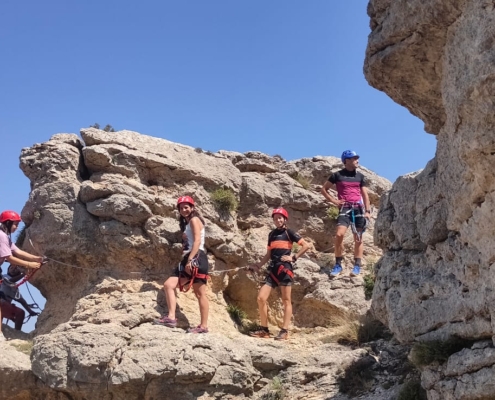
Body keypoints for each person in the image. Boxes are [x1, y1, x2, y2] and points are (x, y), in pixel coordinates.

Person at [249, 208, 309, 341]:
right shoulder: (271, 234)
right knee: (261, 298)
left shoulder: (289, 233)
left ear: (285, 219)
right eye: (275, 218)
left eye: (280, 218)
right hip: (273, 269)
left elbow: (306, 245)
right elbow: (268, 255)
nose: (278, 220)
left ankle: (284, 331)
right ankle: (264, 330)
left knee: (286, 300)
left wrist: (293, 257)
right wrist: (258, 266)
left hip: (285, 268)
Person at [154, 196, 210, 334]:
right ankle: (171, 318)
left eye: (186, 207)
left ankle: (203, 326)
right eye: (181, 208)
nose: (184, 210)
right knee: (169, 285)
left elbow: (197, 241)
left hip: (196, 257)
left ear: (192, 208)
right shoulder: (187, 223)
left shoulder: (194, 220)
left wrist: (190, 260)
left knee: (200, 293)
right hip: (189, 257)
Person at [320, 150, 371, 277]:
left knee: (358, 237)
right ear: (346, 161)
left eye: (356, 158)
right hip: (345, 208)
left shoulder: (360, 176)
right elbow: (324, 189)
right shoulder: (337, 175)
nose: (357, 160)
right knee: (339, 234)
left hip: (358, 208)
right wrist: (334, 201)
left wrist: (368, 211)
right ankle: (338, 264)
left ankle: (357, 266)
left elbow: (365, 194)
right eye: (354, 158)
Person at [0, 210, 42, 340]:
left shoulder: (5, 236)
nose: (17, 227)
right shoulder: (1, 236)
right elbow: (10, 258)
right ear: (7, 223)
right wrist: (30, 265)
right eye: (15, 224)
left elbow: (18, 252)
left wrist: (37, 259)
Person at [0, 265, 40, 331]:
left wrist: (30, 311)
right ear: (8, 270)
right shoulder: (4, 277)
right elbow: (10, 281)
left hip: (5, 305)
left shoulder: (15, 288)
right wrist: (24, 274)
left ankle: (17, 333)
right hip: (2, 302)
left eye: (16, 268)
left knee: (20, 313)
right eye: (12, 268)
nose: (13, 269)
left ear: (18, 272)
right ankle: (16, 332)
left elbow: (22, 301)